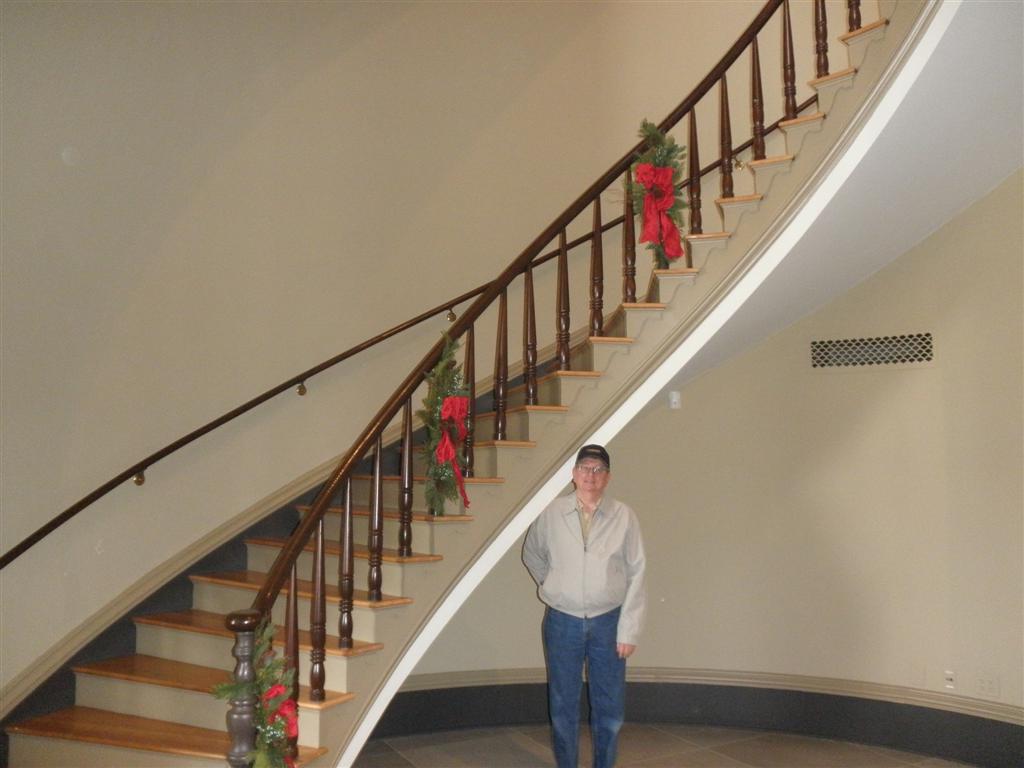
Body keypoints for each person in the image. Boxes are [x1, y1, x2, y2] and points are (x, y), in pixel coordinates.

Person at [523, 444, 646, 768]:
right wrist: (554, 585)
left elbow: (637, 571)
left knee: (609, 708)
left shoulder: (624, 516)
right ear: (574, 474)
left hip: (609, 623)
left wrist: (629, 630)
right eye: (585, 468)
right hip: (562, 622)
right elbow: (532, 554)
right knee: (563, 707)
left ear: (607, 477)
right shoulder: (551, 513)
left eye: (598, 469)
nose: (591, 475)